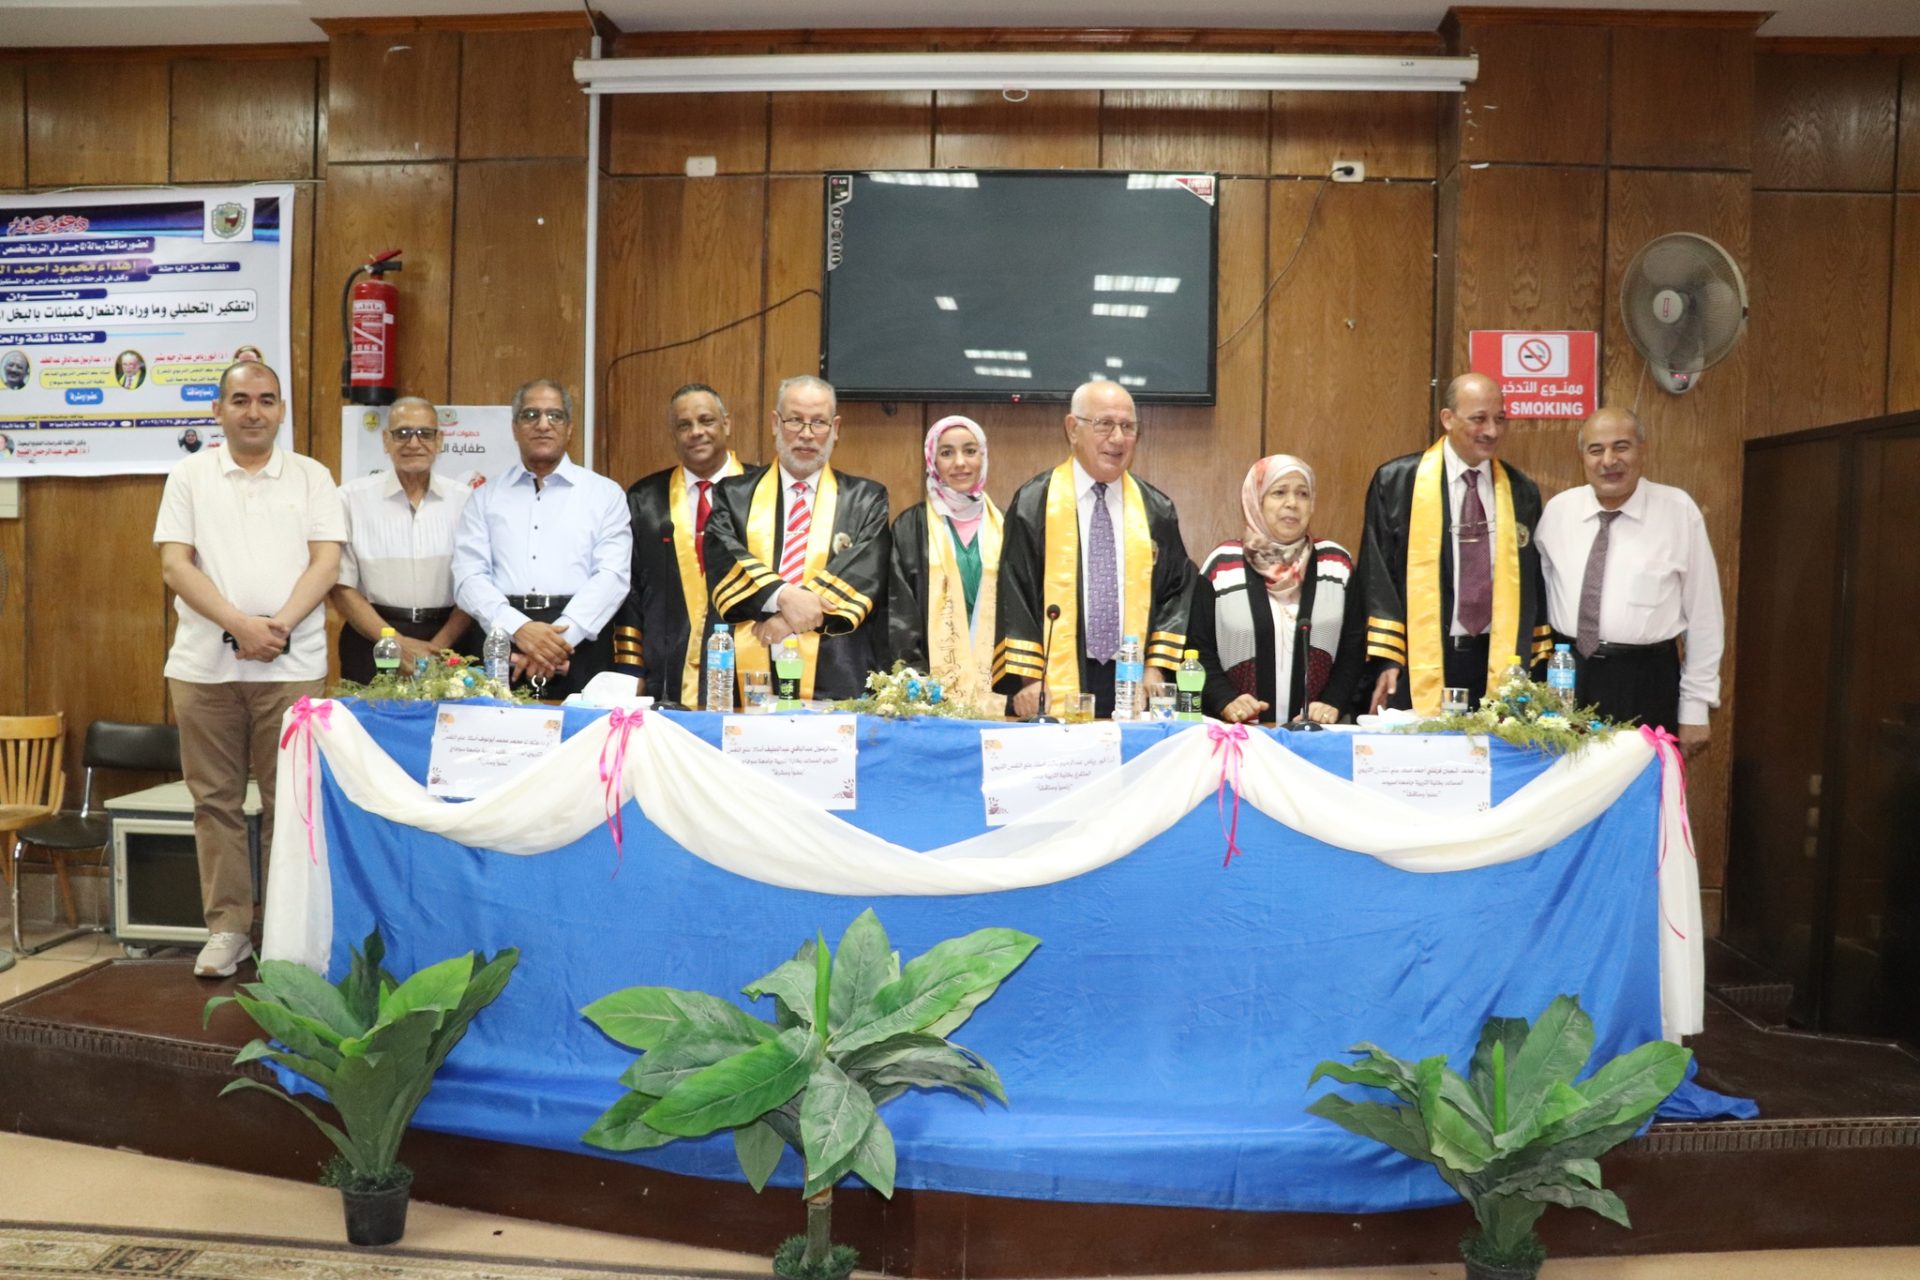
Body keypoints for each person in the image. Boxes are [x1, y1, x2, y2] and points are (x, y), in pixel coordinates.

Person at [153, 360, 346, 978]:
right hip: (203, 669)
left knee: (293, 804)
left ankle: (288, 937)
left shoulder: (313, 476)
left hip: (292, 667)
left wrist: (276, 627)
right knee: (215, 803)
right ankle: (228, 929)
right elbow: (175, 565)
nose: (253, 411)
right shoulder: (189, 475)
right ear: (218, 410)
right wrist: (240, 624)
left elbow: (325, 565)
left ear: (281, 409)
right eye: (240, 400)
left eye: (265, 399)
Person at [994, 380, 1194, 719]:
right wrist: (1030, 677)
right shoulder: (1034, 502)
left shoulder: (1156, 509)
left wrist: (1156, 667)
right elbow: (1015, 592)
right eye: (1104, 424)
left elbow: (1176, 590)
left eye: (1128, 427)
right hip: (1054, 677)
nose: (1118, 438)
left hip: (1133, 677)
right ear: (1073, 429)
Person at [1357, 372, 1550, 716]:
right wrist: (1388, 660)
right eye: (1479, 419)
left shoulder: (1521, 491)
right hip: (1419, 661)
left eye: (1500, 419)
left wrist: (1534, 666)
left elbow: (1533, 585)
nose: (1492, 431)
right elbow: (1377, 578)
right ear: (1447, 419)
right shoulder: (1397, 482)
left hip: (1496, 660)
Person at [1536, 406, 1722, 756]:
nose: (1609, 460)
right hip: (1567, 677)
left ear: (1643, 450)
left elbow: (1704, 617)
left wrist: (1696, 708)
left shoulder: (1678, 511)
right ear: (1582, 457)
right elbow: (1540, 597)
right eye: (1596, 450)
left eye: (1621, 447)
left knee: (1642, 785)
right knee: (1565, 785)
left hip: (1646, 681)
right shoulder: (1559, 512)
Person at [704, 375, 891, 701]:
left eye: (818, 422)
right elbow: (723, 557)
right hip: (748, 666)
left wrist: (785, 622)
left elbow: (865, 572)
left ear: (835, 428)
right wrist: (783, 597)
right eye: (795, 420)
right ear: (775, 423)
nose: (806, 433)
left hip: (836, 671)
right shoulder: (733, 495)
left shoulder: (866, 499)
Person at [452, 378, 636, 700]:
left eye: (555, 415)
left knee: (583, 732)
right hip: (502, 640)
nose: (542, 424)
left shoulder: (605, 494)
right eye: (530, 415)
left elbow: (612, 577)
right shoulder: (484, 497)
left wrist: (556, 643)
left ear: (569, 428)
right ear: (514, 428)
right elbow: (468, 577)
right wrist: (519, 629)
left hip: (580, 643)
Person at [1188, 455, 1365, 725]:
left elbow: (1353, 647)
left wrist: (1333, 702)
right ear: (1256, 500)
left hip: (1316, 734)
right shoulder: (1222, 565)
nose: (1292, 503)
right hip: (1239, 735)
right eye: (1279, 492)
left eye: (1303, 494)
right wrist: (1225, 700)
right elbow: (1198, 648)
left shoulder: (1336, 565)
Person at [332, 396, 476, 684]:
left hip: (450, 641)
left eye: (425, 433)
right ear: (386, 440)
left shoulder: (467, 501)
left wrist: (438, 648)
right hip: (372, 638)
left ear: (439, 440)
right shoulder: (350, 499)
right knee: (371, 715)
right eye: (403, 433)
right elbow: (341, 587)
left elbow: (476, 582)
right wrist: (396, 642)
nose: (413, 443)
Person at [625, 383, 752, 707]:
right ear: (673, 435)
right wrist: (630, 667)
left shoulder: (762, 492)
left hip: (749, 668)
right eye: (684, 425)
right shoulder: (645, 499)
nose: (696, 432)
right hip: (666, 673)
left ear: (726, 424)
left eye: (706, 420)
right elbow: (629, 591)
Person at [888, 414, 1005, 710]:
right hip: (929, 692)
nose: (960, 463)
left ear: (983, 456)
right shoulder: (910, 527)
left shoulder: (1008, 526)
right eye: (947, 453)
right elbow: (900, 613)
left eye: (970, 450)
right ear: (932, 461)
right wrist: (915, 682)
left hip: (999, 688)